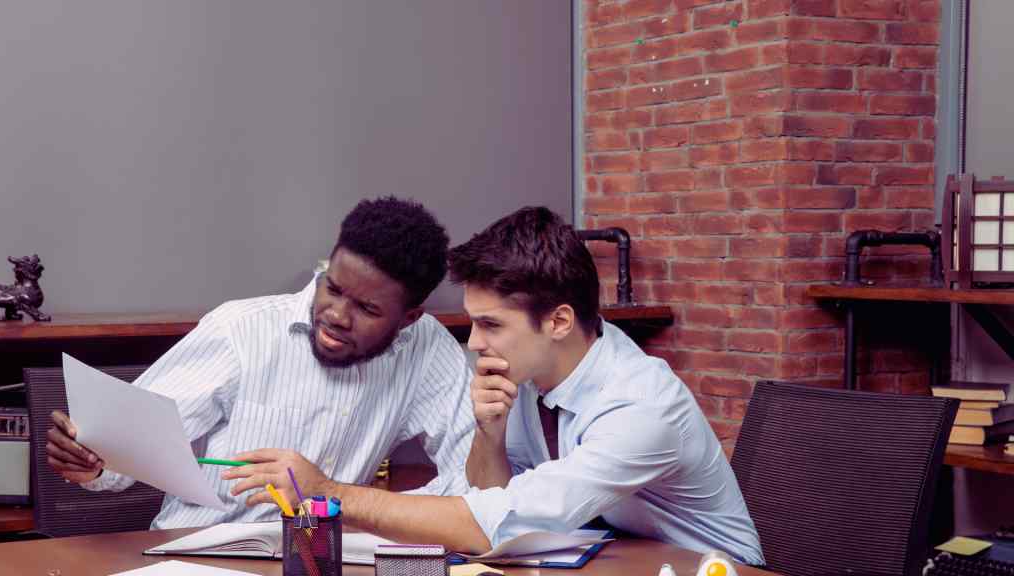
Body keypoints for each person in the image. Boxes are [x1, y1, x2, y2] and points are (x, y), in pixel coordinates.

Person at [231, 206, 764, 564]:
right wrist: (490, 434)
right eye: (474, 322)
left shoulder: (641, 408)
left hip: (707, 570)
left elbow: (495, 520)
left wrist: (328, 495)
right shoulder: (532, 374)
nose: (473, 344)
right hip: (606, 560)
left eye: (491, 325)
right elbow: (494, 497)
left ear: (557, 322)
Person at [45, 196, 475, 529]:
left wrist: (352, 504)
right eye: (333, 288)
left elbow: (473, 490)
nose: (336, 316)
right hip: (195, 555)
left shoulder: (427, 347)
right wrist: (89, 460)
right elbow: (117, 457)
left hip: (320, 559)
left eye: (367, 309)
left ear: (409, 318)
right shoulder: (240, 330)